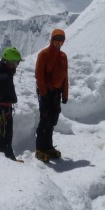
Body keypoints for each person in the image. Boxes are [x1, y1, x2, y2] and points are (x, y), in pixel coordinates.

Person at [34, 28, 69, 160]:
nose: (58, 44)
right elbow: (39, 75)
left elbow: (65, 77)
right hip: (46, 93)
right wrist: (43, 93)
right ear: (52, 40)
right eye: (56, 41)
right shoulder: (44, 54)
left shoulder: (63, 56)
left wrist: (65, 94)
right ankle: (39, 148)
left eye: (61, 42)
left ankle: (48, 147)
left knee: (52, 120)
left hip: (57, 93)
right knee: (45, 119)